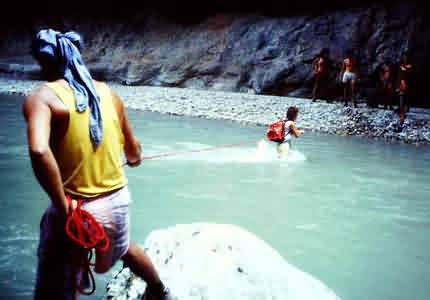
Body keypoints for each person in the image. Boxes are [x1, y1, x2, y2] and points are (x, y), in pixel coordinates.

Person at [24, 29, 172, 300]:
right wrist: (134, 158)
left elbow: (38, 149)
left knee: (55, 282)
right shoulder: (108, 93)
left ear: (42, 62)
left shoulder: (41, 98)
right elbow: (134, 151)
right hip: (116, 203)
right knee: (125, 247)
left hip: (77, 210)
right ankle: (159, 290)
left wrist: (60, 204)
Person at [397, 53, 413, 125]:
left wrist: (406, 69)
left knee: (406, 97)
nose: (405, 59)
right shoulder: (401, 67)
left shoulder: (409, 66)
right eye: (404, 57)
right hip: (402, 84)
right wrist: (401, 83)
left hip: (408, 83)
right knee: (401, 97)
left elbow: (409, 73)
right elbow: (400, 76)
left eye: (406, 57)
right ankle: (401, 111)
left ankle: (405, 109)